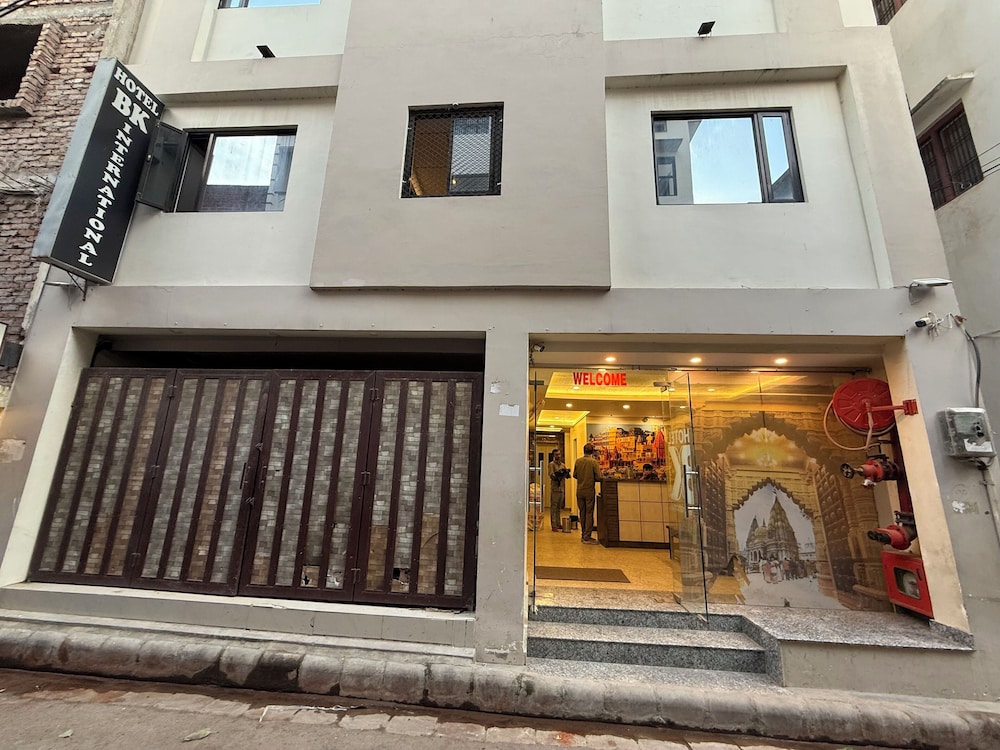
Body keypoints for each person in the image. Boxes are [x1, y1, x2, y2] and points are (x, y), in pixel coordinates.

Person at [573, 442, 602, 544]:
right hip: (589, 490)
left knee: (582, 512)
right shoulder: (593, 462)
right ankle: (587, 536)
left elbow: (575, 475)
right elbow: (598, 477)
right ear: (592, 452)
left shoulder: (578, 461)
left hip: (579, 490)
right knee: (589, 513)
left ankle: (583, 534)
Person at [547, 449, 568, 531]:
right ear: (553, 455)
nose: (558, 456)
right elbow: (551, 475)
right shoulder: (551, 464)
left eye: (559, 454)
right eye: (556, 455)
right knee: (554, 507)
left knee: (559, 507)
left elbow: (566, 474)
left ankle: (558, 523)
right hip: (555, 488)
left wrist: (565, 473)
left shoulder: (563, 465)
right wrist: (558, 475)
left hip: (561, 488)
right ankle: (554, 524)